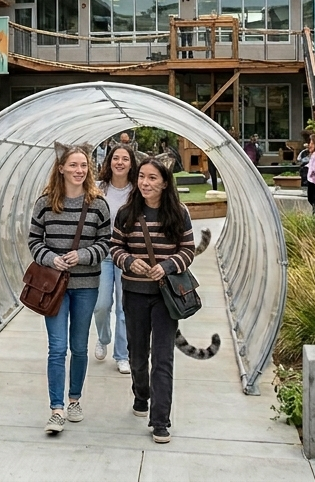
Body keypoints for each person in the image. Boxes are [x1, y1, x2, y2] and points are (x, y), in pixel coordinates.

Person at [28, 143, 113, 435]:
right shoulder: (46, 203)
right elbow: (33, 241)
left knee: (78, 346)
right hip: (53, 286)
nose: (79, 170)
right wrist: (50, 258)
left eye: (83, 166)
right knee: (57, 347)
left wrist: (84, 256)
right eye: (73, 165)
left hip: (86, 284)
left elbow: (106, 242)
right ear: (61, 168)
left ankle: (74, 398)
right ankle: (56, 408)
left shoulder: (98, 204)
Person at [110, 156, 196, 444]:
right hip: (134, 293)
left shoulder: (178, 213)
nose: (145, 183)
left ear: (164, 183)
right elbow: (115, 248)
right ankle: (140, 393)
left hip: (165, 296)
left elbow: (188, 250)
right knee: (137, 354)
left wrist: (169, 265)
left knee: (162, 358)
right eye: (142, 177)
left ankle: (160, 420)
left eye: (152, 178)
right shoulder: (126, 213)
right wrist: (128, 261)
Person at [94, 144, 135, 375]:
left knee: (123, 306)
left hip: (127, 255)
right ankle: (103, 337)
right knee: (101, 305)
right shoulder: (99, 189)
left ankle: (122, 354)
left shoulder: (136, 191)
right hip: (103, 253)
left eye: (125, 159)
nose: (120, 162)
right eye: (116, 158)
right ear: (109, 162)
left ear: (131, 164)